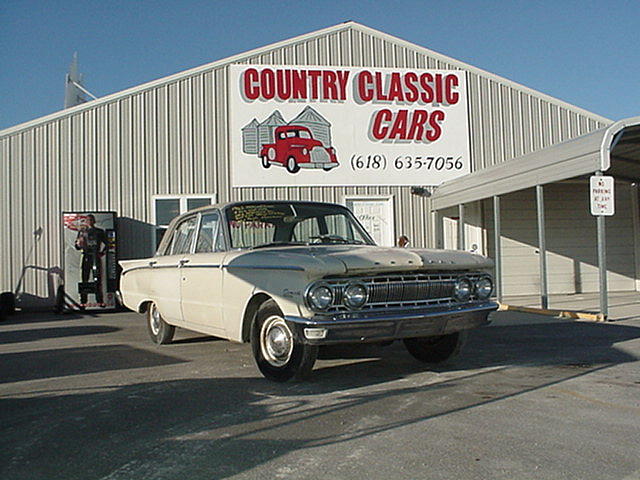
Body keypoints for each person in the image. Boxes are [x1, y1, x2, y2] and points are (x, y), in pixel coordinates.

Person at [74, 214, 108, 306]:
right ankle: (83, 301)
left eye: (91, 220)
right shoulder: (82, 232)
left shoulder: (99, 232)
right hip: (86, 256)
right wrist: (79, 244)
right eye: (87, 220)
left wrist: (102, 252)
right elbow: (77, 246)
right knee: (84, 278)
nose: (89, 221)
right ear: (85, 221)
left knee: (97, 278)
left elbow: (108, 244)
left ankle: (100, 301)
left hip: (95, 256)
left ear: (94, 221)